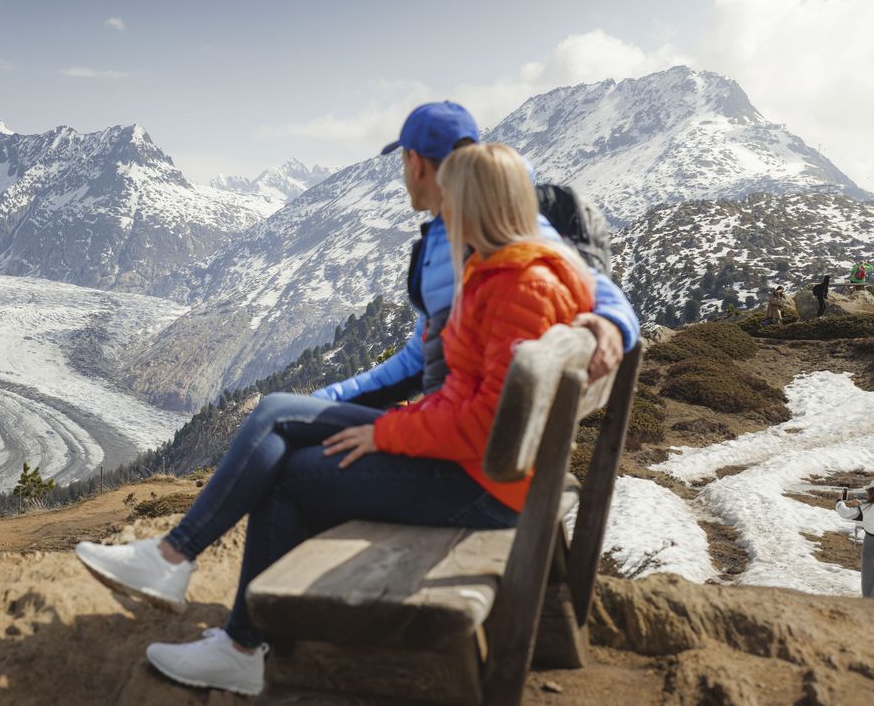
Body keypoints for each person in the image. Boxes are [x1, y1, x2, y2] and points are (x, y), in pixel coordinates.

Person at [75, 142, 598, 696]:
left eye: (453, 198)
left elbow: (486, 424)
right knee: (279, 413)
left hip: (485, 486)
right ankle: (188, 580)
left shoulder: (519, 285)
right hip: (488, 470)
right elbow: (472, 401)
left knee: (290, 475)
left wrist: (383, 431)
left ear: (479, 203)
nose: (442, 210)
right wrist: (399, 420)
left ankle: (228, 630)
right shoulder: (514, 270)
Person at [310, 103, 638, 411]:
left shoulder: (501, 228)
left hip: (455, 438)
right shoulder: (485, 224)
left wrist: (613, 321)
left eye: (404, 162)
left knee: (275, 422)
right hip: (464, 425)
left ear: (416, 162)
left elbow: (422, 366)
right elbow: (427, 355)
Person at [836, 485, 874, 598]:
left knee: (867, 575)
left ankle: (867, 602)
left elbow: (845, 513)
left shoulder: (865, 508)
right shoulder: (865, 507)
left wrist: (840, 501)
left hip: (870, 542)